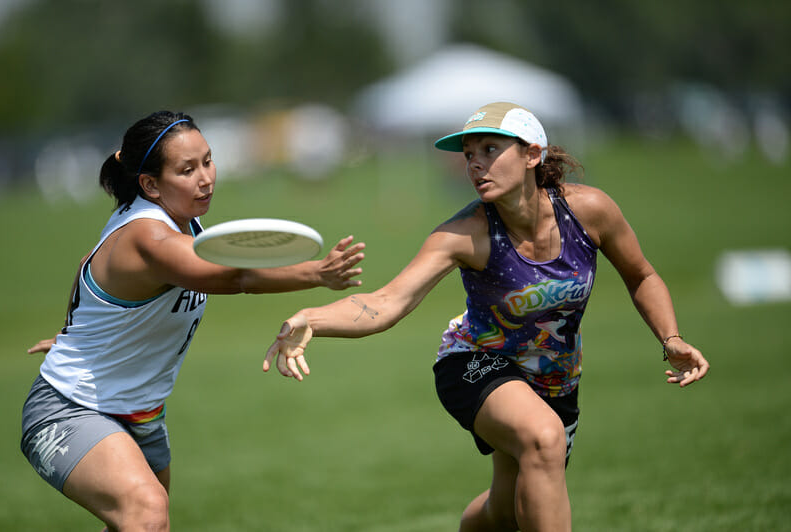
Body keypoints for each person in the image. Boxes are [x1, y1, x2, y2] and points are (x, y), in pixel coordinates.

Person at [263, 102, 710, 531]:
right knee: (544, 438)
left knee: (508, 511)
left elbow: (641, 274)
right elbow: (387, 302)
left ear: (532, 154)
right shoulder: (465, 234)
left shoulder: (589, 211)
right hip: (474, 363)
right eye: (469, 154)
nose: (475, 165)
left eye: (490, 151)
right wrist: (313, 319)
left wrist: (670, 338)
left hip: (555, 379)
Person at [21, 110, 366, 531]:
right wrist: (317, 273)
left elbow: (86, 266)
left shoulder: (182, 221)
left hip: (142, 413)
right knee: (147, 512)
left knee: (137, 520)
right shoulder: (147, 236)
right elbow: (235, 277)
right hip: (69, 407)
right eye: (187, 169)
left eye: (207, 160)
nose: (205, 177)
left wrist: (76, 330)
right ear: (149, 184)